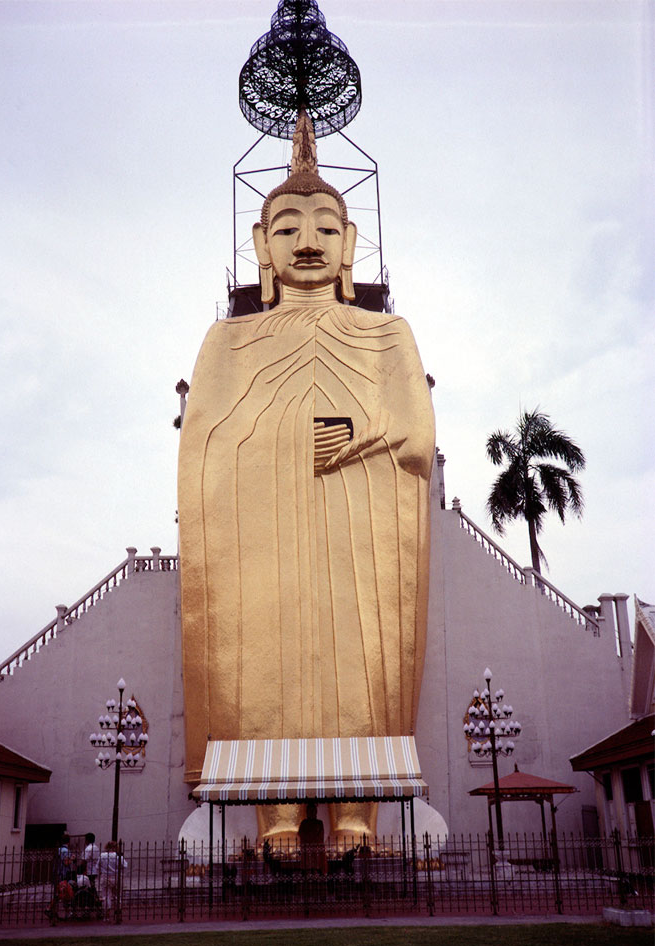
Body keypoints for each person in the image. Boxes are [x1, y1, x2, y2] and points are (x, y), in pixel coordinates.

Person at [179, 111, 435, 841]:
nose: (309, 240)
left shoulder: (387, 333)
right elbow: (202, 444)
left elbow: (418, 437)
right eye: (287, 228)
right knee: (263, 668)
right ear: (261, 245)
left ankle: (361, 814)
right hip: (265, 547)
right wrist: (276, 434)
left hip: (358, 536)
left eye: (325, 226)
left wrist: (361, 434)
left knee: (363, 664)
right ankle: (275, 816)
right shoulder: (228, 339)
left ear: (351, 241)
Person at [97, 840, 127, 919]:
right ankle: (118, 912)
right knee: (117, 895)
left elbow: (97, 867)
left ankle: (106, 914)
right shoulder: (118, 857)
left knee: (106, 896)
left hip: (105, 876)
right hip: (116, 876)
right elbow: (125, 866)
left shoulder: (102, 856)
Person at [298, 802, 327, 874]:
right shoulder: (304, 823)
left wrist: (314, 840)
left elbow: (321, 836)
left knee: (316, 865)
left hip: (316, 848)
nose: (312, 813)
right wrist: (309, 839)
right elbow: (301, 834)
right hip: (307, 848)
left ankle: (316, 872)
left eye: (313, 811)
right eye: (310, 811)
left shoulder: (319, 823)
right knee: (307, 865)